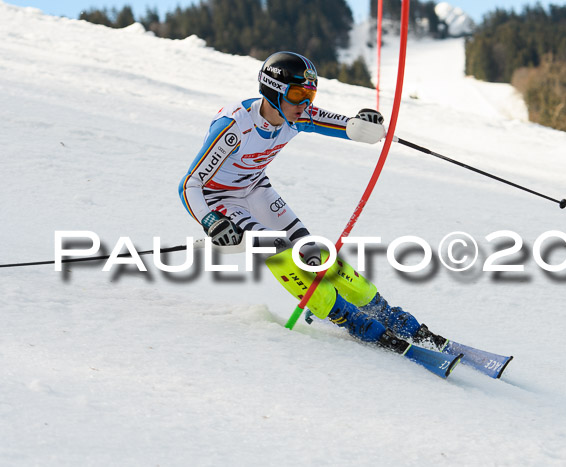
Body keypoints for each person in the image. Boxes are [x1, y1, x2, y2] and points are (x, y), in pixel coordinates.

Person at [179, 51, 446, 354]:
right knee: (278, 249)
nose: (305, 104)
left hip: (255, 189)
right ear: (272, 90)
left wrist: (364, 127)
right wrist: (210, 221)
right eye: (296, 94)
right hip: (221, 199)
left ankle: (381, 309)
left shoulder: (297, 116)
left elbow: (348, 127)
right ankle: (345, 316)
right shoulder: (233, 128)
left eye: (310, 95)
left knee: (311, 250)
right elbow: (190, 184)